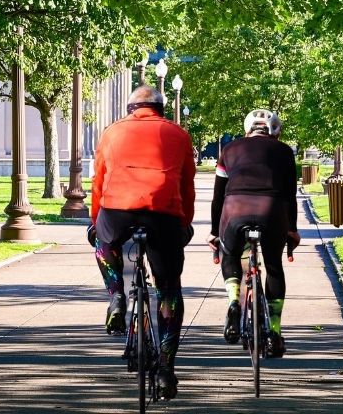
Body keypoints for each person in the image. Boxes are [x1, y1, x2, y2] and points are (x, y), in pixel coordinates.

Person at [90, 85, 196, 400]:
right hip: (163, 215)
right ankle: (165, 369)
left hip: (117, 211)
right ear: (161, 109)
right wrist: (184, 223)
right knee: (168, 288)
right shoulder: (179, 134)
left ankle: (116, 297)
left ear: (131, 108)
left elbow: (99, 180)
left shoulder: (112, 132)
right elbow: (186, 186)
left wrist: (97, 221)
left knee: (104, 246)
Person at [208, 108, 300, 358]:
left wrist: (215, 232)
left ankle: (234, 302)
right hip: (272, 212)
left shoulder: (229, 150)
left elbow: (218, 198)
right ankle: (275, 331)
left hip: (235, 209)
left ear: (247, 129)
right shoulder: (284, 152)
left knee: (230, 255)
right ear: (275, 131)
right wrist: (292, 230)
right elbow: (290, 196)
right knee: (273, 266)